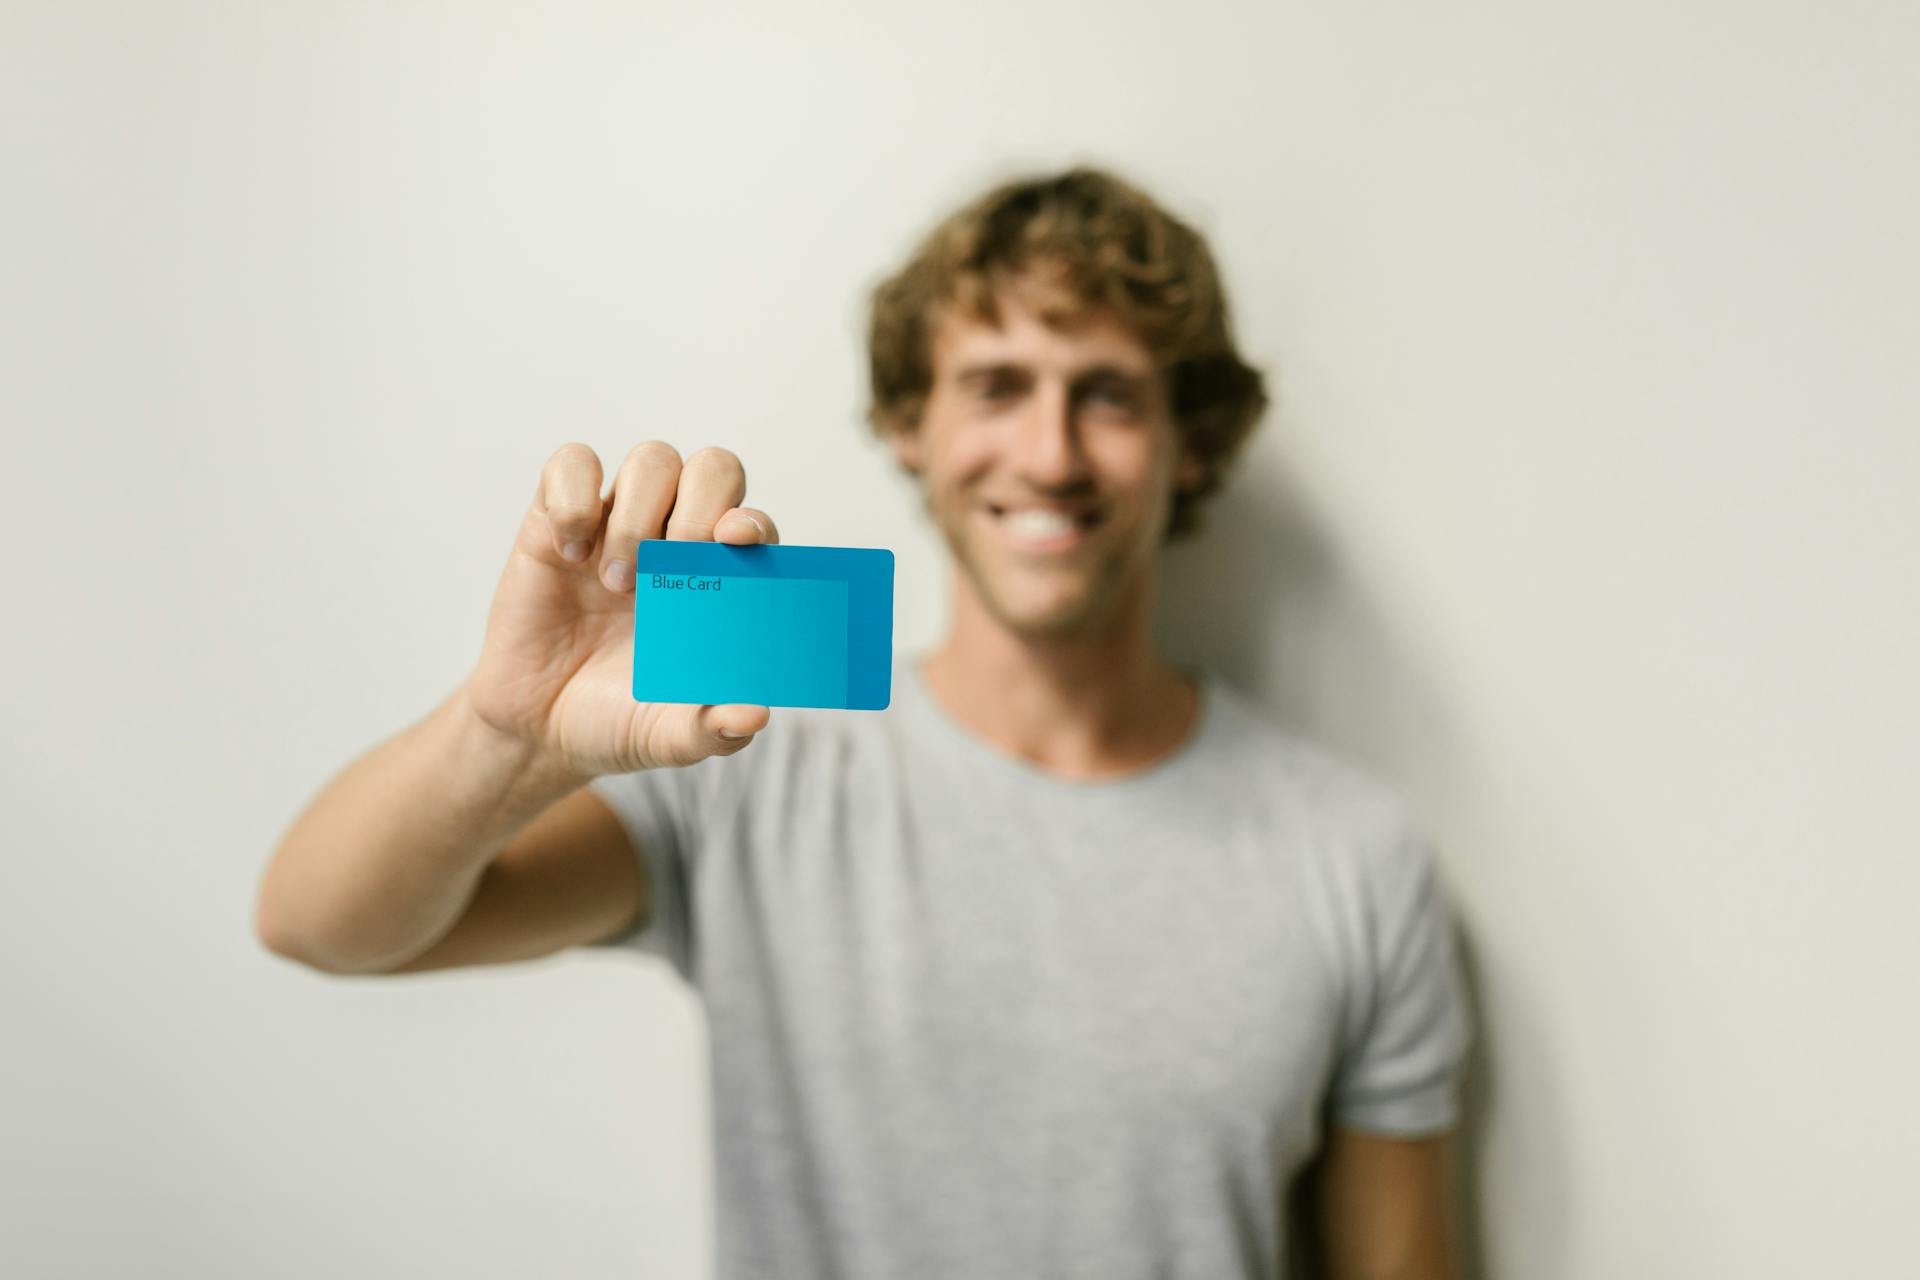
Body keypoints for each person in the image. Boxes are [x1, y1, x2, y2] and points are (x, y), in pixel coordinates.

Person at [257, 166, 1474, 1279]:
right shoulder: (746, 760)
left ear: (1187, 446)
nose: (1049, 452)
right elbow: (321, 922)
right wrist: (508, 731)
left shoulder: (1353, 858)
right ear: (912, 424)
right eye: (997, 385)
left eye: (1105, 395)